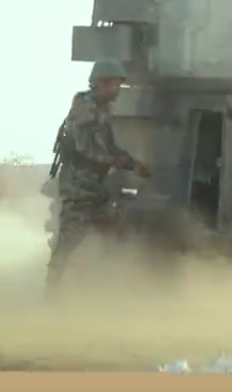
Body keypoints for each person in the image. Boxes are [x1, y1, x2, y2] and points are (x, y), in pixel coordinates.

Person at [45, 58, 152, 293]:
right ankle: (51, 290)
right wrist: (119, 162)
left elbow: (109, 147)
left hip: (95, 185)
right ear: (100, 82)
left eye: (118, 85)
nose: (117, 90)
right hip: (79, 185)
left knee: (115, 228)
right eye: (113, 84)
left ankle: (104, 285)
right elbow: (86, 148)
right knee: (69, 238)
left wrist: (133, 165)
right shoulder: (85, 106)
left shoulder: (103, 109)